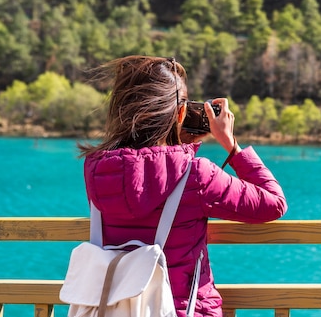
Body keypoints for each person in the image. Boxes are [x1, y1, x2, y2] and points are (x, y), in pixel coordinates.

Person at [78, 55, 287, 317]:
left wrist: (177, 142)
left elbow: (143, 174)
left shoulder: (96, 170)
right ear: (180, 113)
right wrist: (232, 146)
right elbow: (273, 203)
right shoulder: (197, 174)